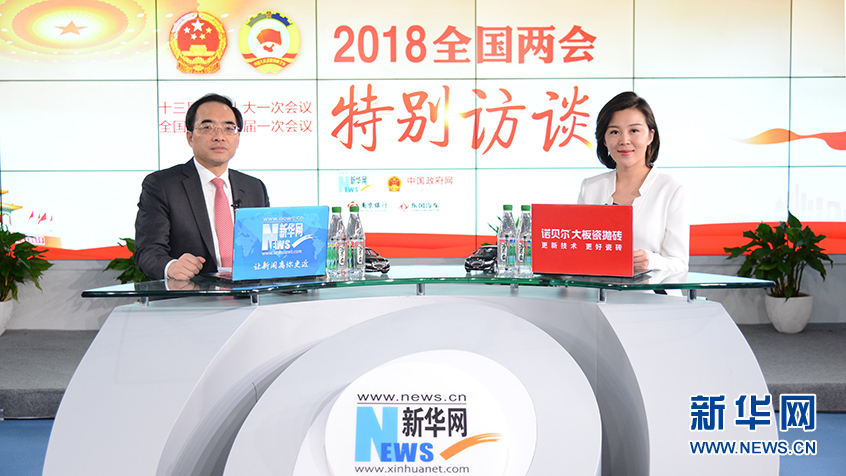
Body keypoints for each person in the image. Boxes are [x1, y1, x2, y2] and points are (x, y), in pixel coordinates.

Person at [134, 93, 270, 280]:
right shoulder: (162, 185)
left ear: (238, 138)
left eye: (229, 128)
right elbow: (147, 251)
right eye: (207, 128)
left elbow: (265, 248)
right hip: (192, 294)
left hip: (247, 294)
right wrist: (172, 267)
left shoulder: (254, 187)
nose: (219, 137)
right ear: (190, 137)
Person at [577, 91, 689, 274]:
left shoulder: (672, 189)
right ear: (604, 139)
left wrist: (651, 261)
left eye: (634, 131)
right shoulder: (589, 188)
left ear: (650, 136)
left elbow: (680, 264)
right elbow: (579, 251)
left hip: (651, 290)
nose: (624, 140)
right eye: (614, 132)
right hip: (599, 290)